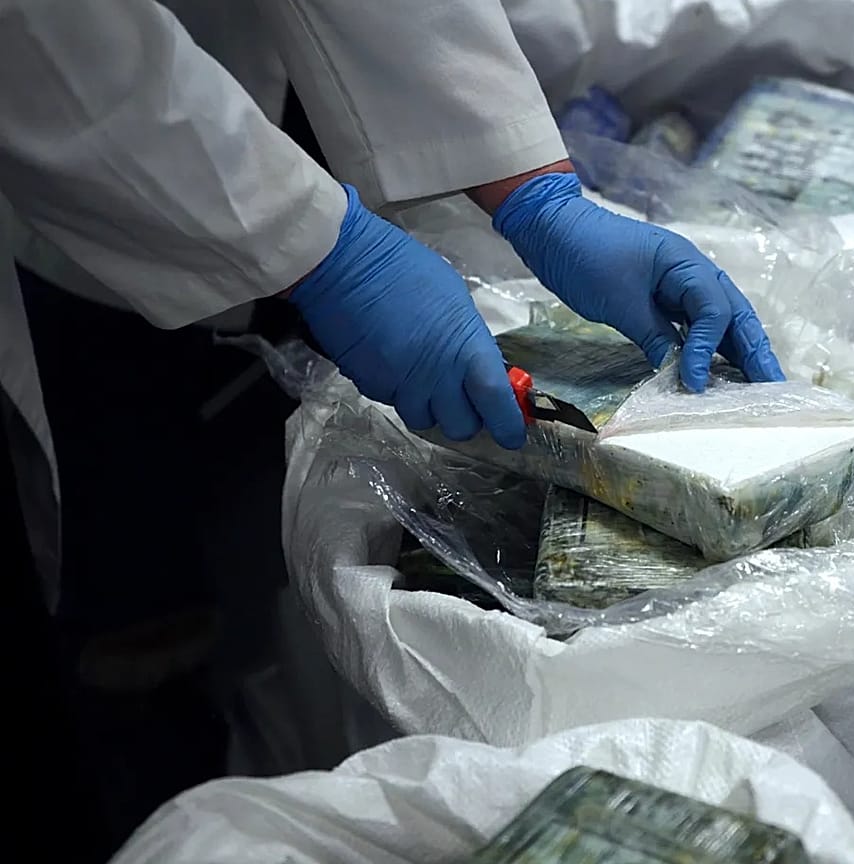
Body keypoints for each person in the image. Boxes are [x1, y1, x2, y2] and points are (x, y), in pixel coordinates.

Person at [0, 0, 780, 855]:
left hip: (262, 100)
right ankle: (136, 711)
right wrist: (320, 249)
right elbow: (47, 39)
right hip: (96, 167)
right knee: (114, 546)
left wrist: (530, 187)